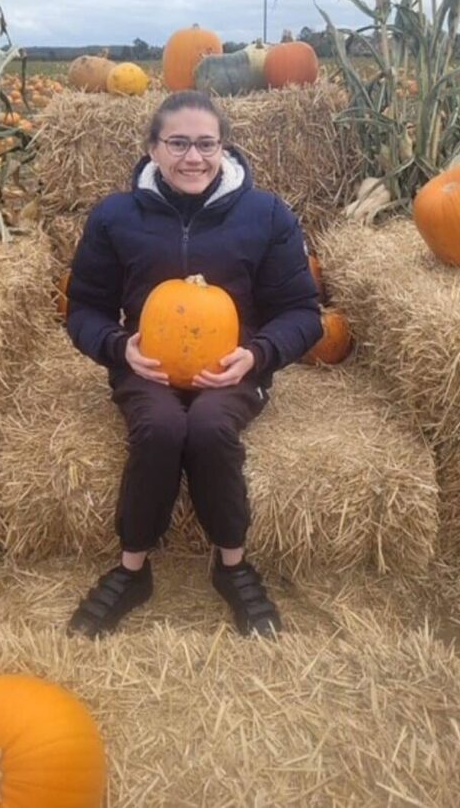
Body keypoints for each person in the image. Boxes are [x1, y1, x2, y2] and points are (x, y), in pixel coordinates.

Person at [62, 90, 323, 640]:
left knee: (207, 428)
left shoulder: (266, 214)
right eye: (178, 143)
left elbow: (303, 313)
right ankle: (132, 570)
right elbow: (83, 308)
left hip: (233, 368)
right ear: (152, 148)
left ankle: (233, 565)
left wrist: (256, 355)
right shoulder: (115, 216)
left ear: (223, 147)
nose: (193, 157)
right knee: (159, 428)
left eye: (206, 144)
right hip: (147, 366)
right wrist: (119, 347)